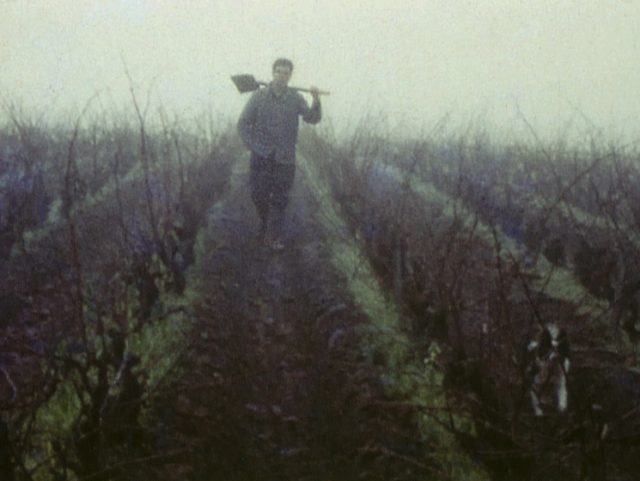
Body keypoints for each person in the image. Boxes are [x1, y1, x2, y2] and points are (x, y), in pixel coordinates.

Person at [237, 58, 322, 250]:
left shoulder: (295, 98)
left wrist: (316, 101)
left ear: (290, 76)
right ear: (272, 73)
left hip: (285, 158)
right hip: (261, 156)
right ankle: (265, 224)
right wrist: (253, 145)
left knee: (280, 199)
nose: (282, 76)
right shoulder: (259, 96)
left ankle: (273, 236)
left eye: (286, 73)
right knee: (258, 195)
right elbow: (242, 124)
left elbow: (312, 118)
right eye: (279, 72)